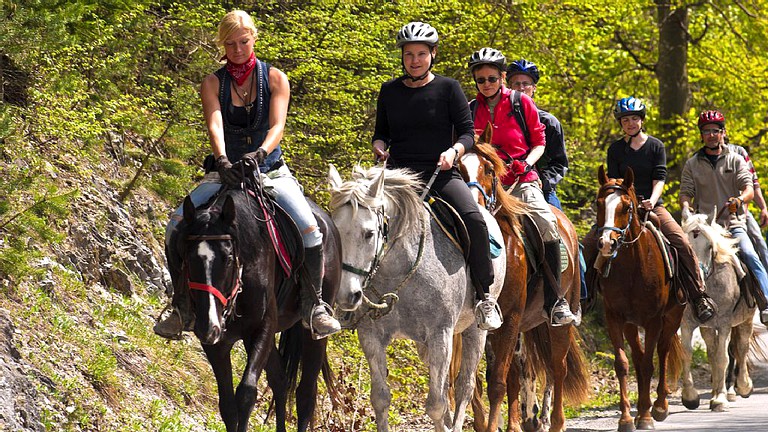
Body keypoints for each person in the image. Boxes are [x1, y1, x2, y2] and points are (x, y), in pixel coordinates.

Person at [154, 10, 341, 340]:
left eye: (243, 41)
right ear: (222, 45)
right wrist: (222, 160)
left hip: (269, 169)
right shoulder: (213, 82)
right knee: (174, 225)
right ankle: (181, 305)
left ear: (254, 38)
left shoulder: (275, 78)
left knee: (311, 230)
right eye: (230, 43)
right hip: (225, 172)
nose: (238, 48)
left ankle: (314, 306)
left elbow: (277, 125)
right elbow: (215, 123)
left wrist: (260, 153)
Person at [371, 23, 503, 331]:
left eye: (420, 54)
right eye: (408, 55)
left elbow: (469, 133)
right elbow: (381, 134)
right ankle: (356, 297)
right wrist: (380, 148)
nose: (414, 60)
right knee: (361, 217)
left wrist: (454, 152)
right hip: (398, 178)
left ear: (433, 54)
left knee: (474, 218)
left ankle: (485, 297)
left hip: (441, 174)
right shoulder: (389, 91)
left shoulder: (448, 88)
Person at [467, 47, 576, 326]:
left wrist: (526, 163)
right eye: (481, 80)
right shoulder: (471, 109)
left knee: (547, 222)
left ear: (502, 77)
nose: (487, 84)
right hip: (485, 182)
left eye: (492, 78)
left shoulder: (520, 103)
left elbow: (540, 143)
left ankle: (555, 300)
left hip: (519, 180)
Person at [583, 97, 715, 323]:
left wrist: (652, 201)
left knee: (680, 242)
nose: (630, 123)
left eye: (634, 118)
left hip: (652, 205)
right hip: (623, 208)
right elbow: (614, 182)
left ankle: (698, 295)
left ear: (642, 120)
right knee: (588, 244)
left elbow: (660, 178)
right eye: (625, 120)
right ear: (621, 123)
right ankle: (583, 299)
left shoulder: (656, 146)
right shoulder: (615, 149)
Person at [680, 109, 768, 325]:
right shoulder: (692, 164)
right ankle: (679, 308)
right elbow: (686, 192)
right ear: (701, 135)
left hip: (732, 224)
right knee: (680, 258)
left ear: (722, 132)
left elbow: (749, 188)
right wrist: (685, 208)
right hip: (706, 228)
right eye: (706, 131)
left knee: (750, 254)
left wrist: (740, 200)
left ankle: (765, 302)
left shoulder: (736, 159)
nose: (711, 135)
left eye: (715, 131)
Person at [506, 59, 568, 209]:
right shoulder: (501, 119)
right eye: (516, 83)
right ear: (509, 87)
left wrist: (543, 180)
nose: (521, 88)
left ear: (534, 88)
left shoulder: (549, 122)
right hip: (503, 184)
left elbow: (559, 163)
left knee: (555, 224)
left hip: (541, 188)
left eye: (526, 83)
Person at [724, 141, 768, 271]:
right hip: (715, 213)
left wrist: (763, 208)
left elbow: (753, 184)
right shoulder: (700, 158)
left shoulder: (739, 152)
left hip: (741, 212)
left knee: (758, 239)